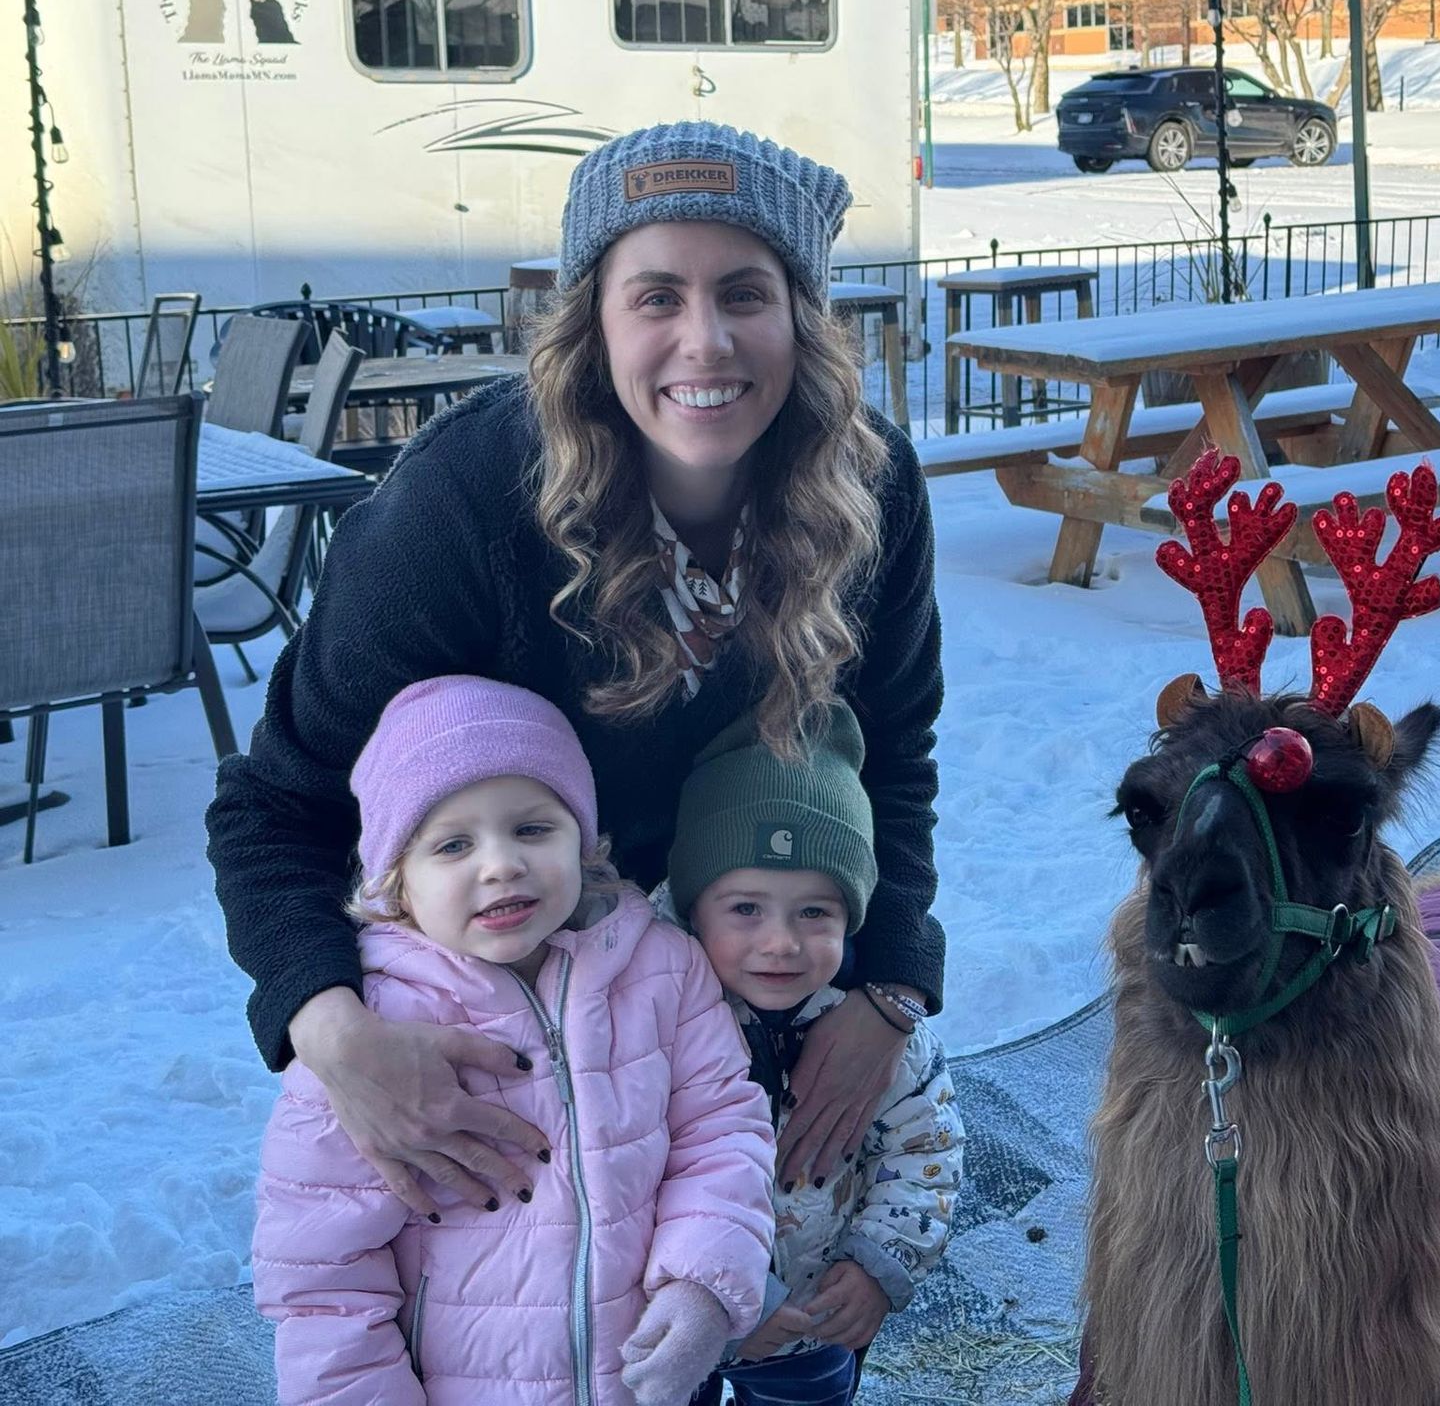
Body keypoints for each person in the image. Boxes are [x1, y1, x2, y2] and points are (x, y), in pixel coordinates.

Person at [207, 119, 944, 1227]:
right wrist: (329, 1027)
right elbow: (276, 804)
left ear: (802, 316)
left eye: (745, 293)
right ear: (592, 323)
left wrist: (888, 986)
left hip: (749, 985)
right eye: (657, 297)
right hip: (512, 1036)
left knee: (776, 1301)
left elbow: (892, 754)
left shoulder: (870, 489)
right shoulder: (467, 501)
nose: (706, 343)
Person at [251, 675, 775, 1405]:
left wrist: (702, 1286)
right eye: (453, 844)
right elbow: (322, 1277)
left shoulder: (662, 966)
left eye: (532, 829)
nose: (499, 864)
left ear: (585, 843)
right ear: (396, 883)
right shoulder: (371, 1032)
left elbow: (721, 1129)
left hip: (643, 1377)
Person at [658, 702, 963, 1406]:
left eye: (814, 912)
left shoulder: (887, 1038)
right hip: (680, 1324)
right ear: (690, 907)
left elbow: (928, 1153)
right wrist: (731, 1302)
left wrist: (880, 1265)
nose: (782, 943)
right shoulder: (657, 1027)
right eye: (745, 909)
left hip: (816, 1325)